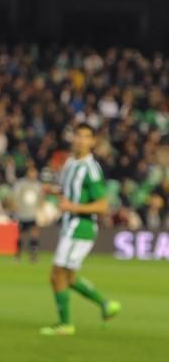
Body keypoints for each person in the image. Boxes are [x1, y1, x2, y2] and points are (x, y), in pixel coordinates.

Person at [40, 124, 121, 336]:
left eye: (86, 137)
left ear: (93, 142)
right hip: (70, 225)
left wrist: (72, 207)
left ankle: (65, 324)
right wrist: (55, 192)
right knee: (70, 277)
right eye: (78, 136)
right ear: (72, 138)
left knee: (57, 274)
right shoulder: (70, 163)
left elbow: (103, 205)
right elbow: (70, 193)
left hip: (80, 227)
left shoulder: (91, 169)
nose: (81, 140)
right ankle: (105, 304)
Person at [12, 165, 44, 262]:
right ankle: (18, 254)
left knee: (35, 233)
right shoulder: (21, 184)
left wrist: (41, 210)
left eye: (35, 172)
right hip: (22, 213)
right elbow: (15, 197)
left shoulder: (38, 185)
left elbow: (41, 198)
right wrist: (16, 209)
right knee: (20, 235)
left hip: (33, 213)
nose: (33, 174)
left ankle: (33, 254)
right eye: (31, 172)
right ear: (27, 173)